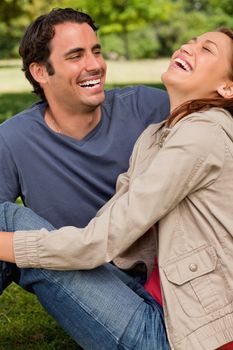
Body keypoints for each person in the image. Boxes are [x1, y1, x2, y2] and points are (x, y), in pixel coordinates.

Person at [1, 27, 233, 350]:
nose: (188, 47)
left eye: (207, 49)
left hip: (180, 338)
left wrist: (17, 248)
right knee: (9, 222)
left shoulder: (204, 134)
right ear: (40, 72)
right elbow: (110, 232)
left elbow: (97, 241)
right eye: (192, 41)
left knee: (8, 223)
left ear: (227, 86)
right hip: (152, 300)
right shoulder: (155, 135)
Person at [0, 7, 169, 344]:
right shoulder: (14, 139)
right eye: (76, 55)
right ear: (40, 72)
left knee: (7, 220)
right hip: (86, 281)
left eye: (96, 51)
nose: (95, 65)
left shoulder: (149, 108)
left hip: (157, 295)